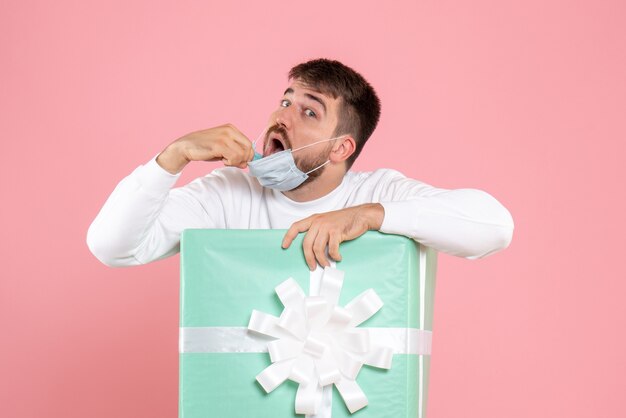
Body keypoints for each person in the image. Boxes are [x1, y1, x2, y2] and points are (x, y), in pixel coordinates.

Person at [87, 58, 514, 270]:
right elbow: (113, 247)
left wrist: (368, 216)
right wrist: (171, 157)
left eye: (309, 112)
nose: (281, 117)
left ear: (340, 148)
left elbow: (495, 226)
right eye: (285, 101)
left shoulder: (376, 193)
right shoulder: (226, 194)